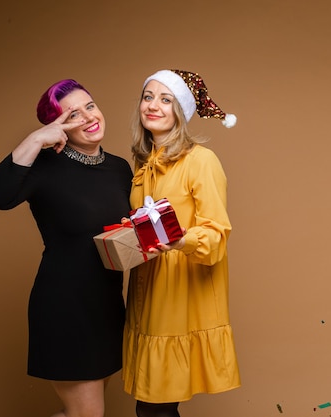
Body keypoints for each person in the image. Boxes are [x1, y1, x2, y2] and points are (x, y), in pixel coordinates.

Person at [0, 79, 133, 417]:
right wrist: (36, 139)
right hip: (64, 308)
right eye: (72, 115)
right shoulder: (44, 165)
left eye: (90, 106)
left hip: (107, 306)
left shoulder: (120, 168)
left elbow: (126, 233)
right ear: (58, 125)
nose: (87, 118)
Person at [123, 69, 241, 417]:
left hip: (178, 297)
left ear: (182, 112)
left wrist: (177, 240)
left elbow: (216, 234)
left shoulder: (201, 161)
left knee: (155, 408)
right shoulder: (144, 163)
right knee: (150, 406)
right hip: (147, 291)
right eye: (148, 97)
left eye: (165, 99)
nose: (153, 106)